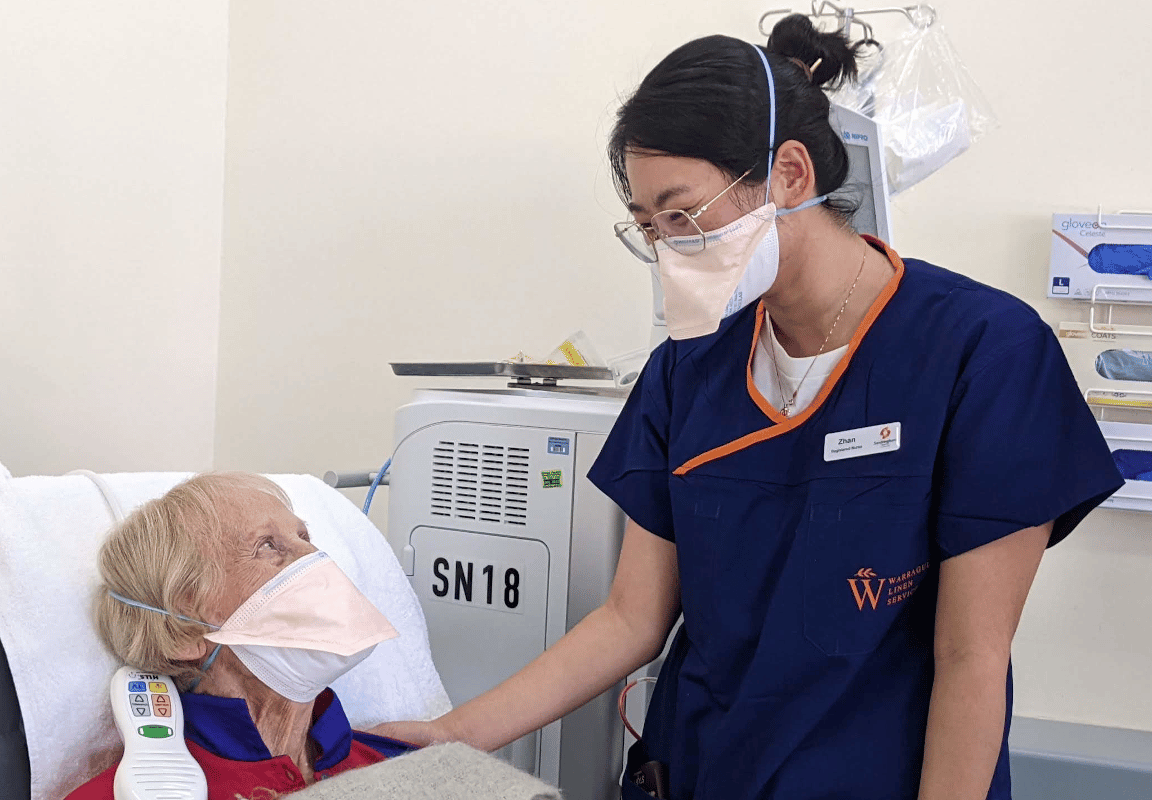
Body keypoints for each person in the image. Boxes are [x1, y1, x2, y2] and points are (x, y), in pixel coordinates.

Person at [372, 15, 1124, 800]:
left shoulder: (983, 352)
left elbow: (972, 656)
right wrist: (450, 739)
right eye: (648, 227)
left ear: (791, 175)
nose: (669, 247)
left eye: (684, 214)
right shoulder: (688, 368)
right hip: (698, 769)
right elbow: (631, 619)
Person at [66, 472, 415, 800]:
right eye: (268, 546)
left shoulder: (401, 766)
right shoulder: (135, 791)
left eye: (304, 537)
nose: (316, 559)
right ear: (183, 630)